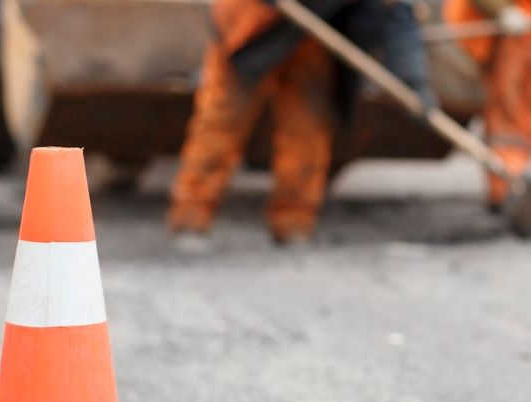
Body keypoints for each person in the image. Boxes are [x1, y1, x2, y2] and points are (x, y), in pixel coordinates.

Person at [169, 0, 432, 250]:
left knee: (307, 132)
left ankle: (293, 224)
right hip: (251, 25)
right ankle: (191, 219)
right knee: (222, 123)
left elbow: (397, 17)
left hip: (308, 36)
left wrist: (414, 83)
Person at [443, 0, 531, 211]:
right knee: (506, 109)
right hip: (502, 30)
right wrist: (502, 11)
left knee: (530, 111)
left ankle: (520, 174)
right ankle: (505, 185)